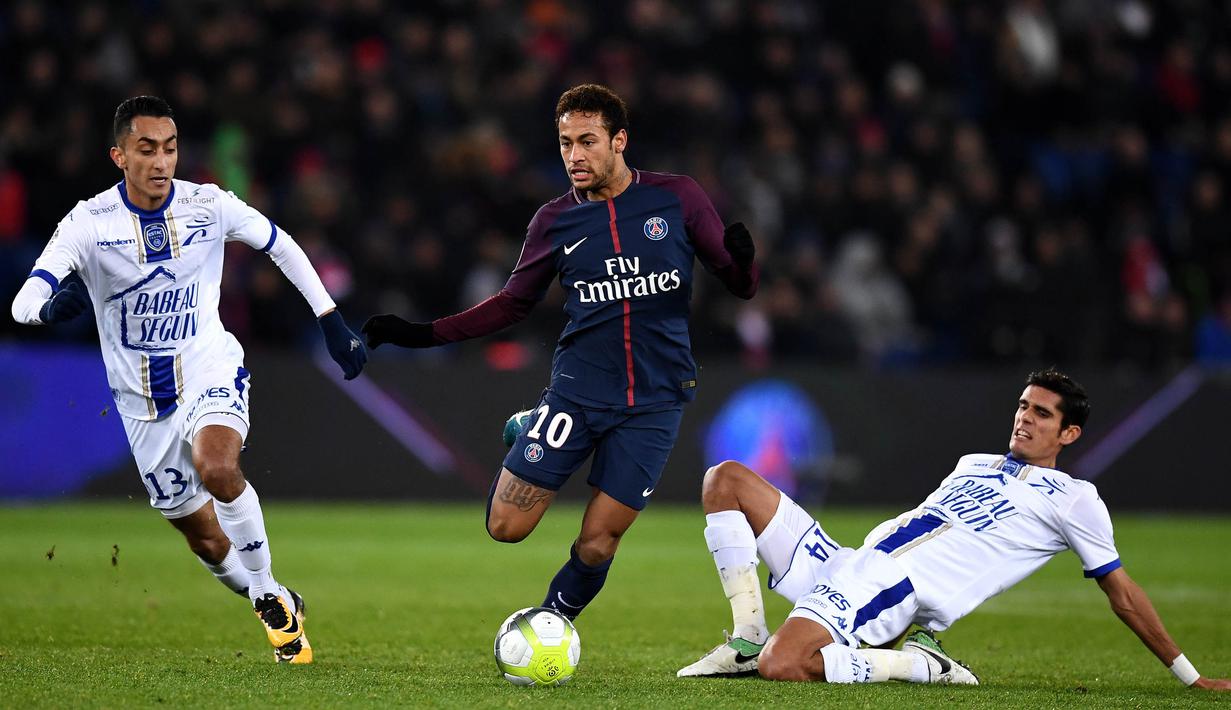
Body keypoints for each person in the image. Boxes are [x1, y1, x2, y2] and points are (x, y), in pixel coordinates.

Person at [362, 83, 758, 620]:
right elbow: (510, 305)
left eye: (587, 141)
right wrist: (421, 333)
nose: (574, 155)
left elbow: (739, 283)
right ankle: (531, 427)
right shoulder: (554, 221)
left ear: (620, 141)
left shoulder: (678, 197)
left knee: (598, 543)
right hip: (579, 391)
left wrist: (744, 262)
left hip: (656, 400)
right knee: (506, 527)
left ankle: (551, 624)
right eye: (565, 142)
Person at [10, 96, 367, 664]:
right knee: (204, 537)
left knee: (218, 468)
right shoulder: (88, 222)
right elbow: (23, 301)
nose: (160, 161)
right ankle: (269, 596)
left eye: (170, 148)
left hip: (208, 367)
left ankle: (270, 594)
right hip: (140, 402)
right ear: (119, 155)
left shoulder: (209, 205)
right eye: (146, 149)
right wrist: (49, 309)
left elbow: (280, 244)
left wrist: (329, 318)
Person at [678, 369, 1231, 691]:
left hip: (889, 583)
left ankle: (921, 664)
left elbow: (1123, 592)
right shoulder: (974, 462)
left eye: (1041, 413)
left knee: (786, 665)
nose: (1024, 418)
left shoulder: (1076, 500)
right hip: (846, 563)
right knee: (725, 479)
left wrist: (1188, 674)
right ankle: (747, 637)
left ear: (1070, 433)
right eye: (1022, 406)